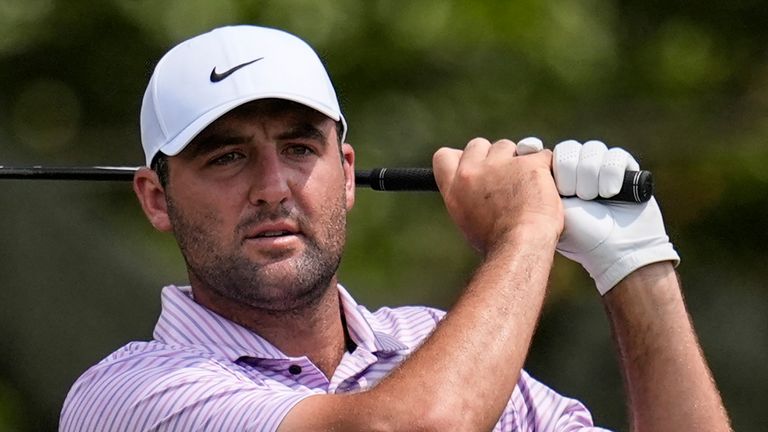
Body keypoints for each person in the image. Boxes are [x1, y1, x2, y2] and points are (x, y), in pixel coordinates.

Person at [60, 25, 731, 432]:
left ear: (347, 174)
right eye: (227, 156)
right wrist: (525, 229)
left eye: (300, 149)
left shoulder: (441, 344)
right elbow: (423, 426)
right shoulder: (130, 395)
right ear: (155, 197)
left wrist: (637, 267)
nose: (272, 187)